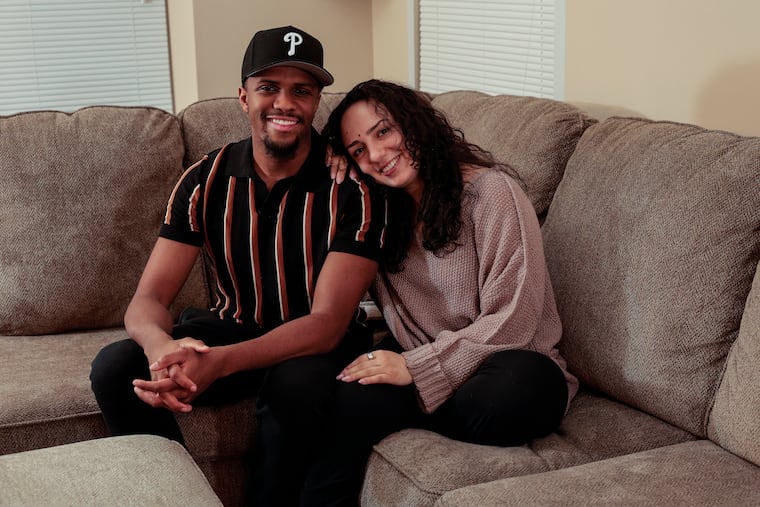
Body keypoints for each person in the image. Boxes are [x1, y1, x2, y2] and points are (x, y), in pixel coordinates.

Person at [89, 27, 386, 506]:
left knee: (296, 387)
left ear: (316, 102)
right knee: (115, 368)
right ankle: (177, 498)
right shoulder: (205, 179)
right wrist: (162, 348)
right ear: (244, 97)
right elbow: (148, 299)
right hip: (233, 326)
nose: (285, 103)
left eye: (301, 90)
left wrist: (219, 363)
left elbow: (327, 324)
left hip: (313, 343)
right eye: (269, 87)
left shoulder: (351, 189)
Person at [313, 79, 579, 502]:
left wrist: (417, 369)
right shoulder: (378, 211)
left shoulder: (492, 193)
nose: (376, 155)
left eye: (384, 131)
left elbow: (515, 318)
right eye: (358, 150)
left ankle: (422, 411)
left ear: (415, 123)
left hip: (509, 363)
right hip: (427, 364)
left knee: (513, 389)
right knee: (351, 392)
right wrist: (332, 171)